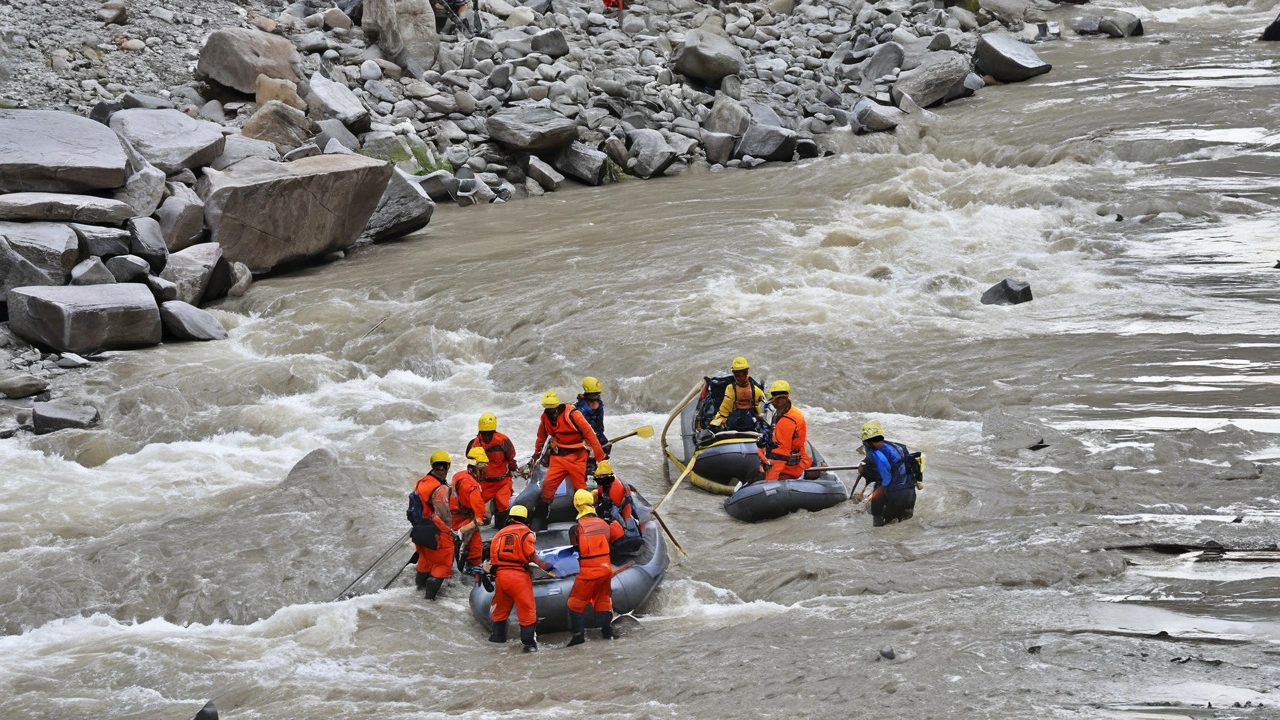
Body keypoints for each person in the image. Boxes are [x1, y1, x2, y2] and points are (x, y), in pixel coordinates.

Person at [488, 504, 555, 653]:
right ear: (526, 519)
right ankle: (529, 644)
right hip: (518, 577)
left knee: (501, 607)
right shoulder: (526, 533)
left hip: (501, 576)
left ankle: (497, 637)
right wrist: (548, 567)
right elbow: (533, 556)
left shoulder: (498, 535)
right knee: (527, 609)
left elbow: (492, 559)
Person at [533, 390, 608, 517]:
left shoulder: (574, 415)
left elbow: (590, 435)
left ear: (558, 406)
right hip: (558, 457)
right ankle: (543, 513)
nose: (550, 412)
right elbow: (541, 437)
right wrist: (537, 455)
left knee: (580, 488)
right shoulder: (545, 418)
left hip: (577, 456)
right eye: (547, 409)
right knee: (547, 486)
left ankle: (584, 514)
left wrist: (600, 458)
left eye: (552, 409)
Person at [566, 489, 624, 646]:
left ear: (577, 505)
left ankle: (578, 637)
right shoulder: (604, 524)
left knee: (575, 603)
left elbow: (575, 550)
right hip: (606, 569)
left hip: (588, 571)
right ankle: (607, 632)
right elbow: (611, 540)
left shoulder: (575, 529)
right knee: (603, 599)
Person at [409, 450, 458, 600]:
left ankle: (417, 592)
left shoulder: (422, 482)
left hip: (419, 531)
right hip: (435, 533)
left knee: (424, 561)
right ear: (447, 466)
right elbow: (443, 515)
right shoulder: (441, 488)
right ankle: (429, 600)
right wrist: (451, 533)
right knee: (442, 565)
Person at [853, 420, 920, 527]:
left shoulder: (879, 456)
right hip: (910, 493)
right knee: (904, 525)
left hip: (895, 496)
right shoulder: (895, 446)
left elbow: (886, 482)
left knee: (880, 526)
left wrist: (867, 501)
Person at [466, 412, 519, 528]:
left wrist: (513, 468)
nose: (486, 436)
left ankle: (501, 528)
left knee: (503, 503)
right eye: (484, 433)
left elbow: (511, 456)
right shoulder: (474, 444)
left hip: (502, 481)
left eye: (489, 433)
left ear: (493, 432)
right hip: (484, 483)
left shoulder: (503, 441)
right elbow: (471, 464)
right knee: (474, 505)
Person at [756, 380, 812, 481]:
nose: (780, 402)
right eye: (777, 399)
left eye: (782, 399)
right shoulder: (785, 412)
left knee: (764, 478)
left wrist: (766, 460)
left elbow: (781, 454)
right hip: (795, 460)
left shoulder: (787, 420)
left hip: (790, 469)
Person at [592, 460, 644, 555]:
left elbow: (615, 511)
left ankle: (631, 540)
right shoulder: (607, 482)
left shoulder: (616, 489)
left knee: (626, 522)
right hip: (620, 502)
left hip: (623, 505)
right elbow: (601, 493)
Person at [450, 447, 488, 571]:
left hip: (454, 515)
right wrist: (463, 529)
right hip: (464, 519)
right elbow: (479, 518)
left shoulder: (459, 475)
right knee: (475, 546)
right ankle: (473, 568)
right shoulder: (472, 486)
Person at [710, 356, 766, 433]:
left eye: (744, 373)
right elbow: (725, 409)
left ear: (748, 372)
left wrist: (762, 416)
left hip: (750, 417)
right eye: (738, 375)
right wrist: (716, 422)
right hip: (736, 418)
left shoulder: (754, 389)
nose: (742, 377)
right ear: (734, 374)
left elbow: (760, 404)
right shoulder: (731, 389)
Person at [575, 377, 610, 455]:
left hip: (595, 432)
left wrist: (600, 437)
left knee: (606, 447)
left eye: (596, 398)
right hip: (583, 436)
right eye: (591, 400)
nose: (594, 403)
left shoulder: (600, 405)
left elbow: (600, 426)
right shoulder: (580, 409)